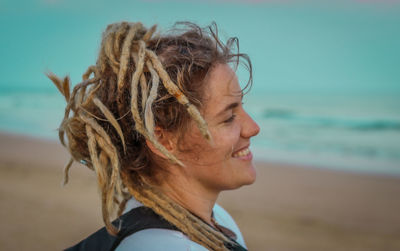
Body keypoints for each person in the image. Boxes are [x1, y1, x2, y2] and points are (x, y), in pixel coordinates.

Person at [48, 21, 260, 251]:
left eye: (241, 108)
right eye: (228, 117)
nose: (253, 127)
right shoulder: (161, 246)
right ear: (163, 141)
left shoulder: (217, 219)